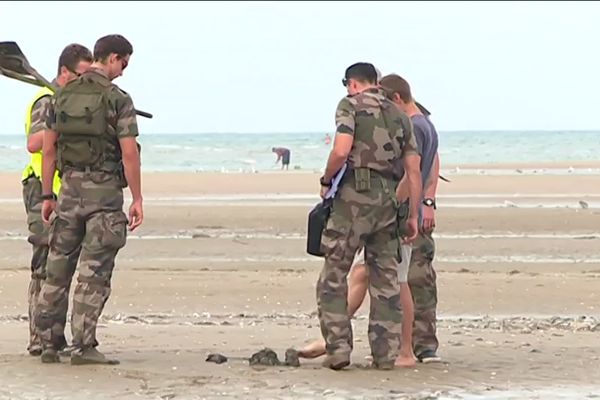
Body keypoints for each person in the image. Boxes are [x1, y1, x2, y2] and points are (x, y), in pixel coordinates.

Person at [35, 34, 143, 365]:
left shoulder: (61, 96)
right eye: (123, 63)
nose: (124, 71)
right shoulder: (117, 99)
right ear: (111, 58)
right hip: (104, 195)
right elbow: (129, 154)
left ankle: (49, 343)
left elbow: (49, 149)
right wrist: (137, 198)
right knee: (93, 272)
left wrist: (47, 195)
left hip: (67, 192)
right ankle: (83, 345)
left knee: (57, 269)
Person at [316, 62, 422, 370]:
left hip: (352, 201)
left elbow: (341, 150)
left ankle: (338, 349)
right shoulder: (401, 116)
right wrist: (412, 214)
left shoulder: (349, 105)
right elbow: (413, 171)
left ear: (352, 83)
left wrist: (326, 180)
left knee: (334, 276)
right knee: (385, 281)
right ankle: (384, 355)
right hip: (388, 202)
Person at [21, 44, 93, 357]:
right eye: (81, 75)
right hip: (41, 188)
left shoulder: (71, 100)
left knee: (62, 265)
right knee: (44, 264)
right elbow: (35, 143)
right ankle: (39, 337)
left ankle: (54, 336)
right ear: (65, 72)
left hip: (66, 191)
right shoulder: (47, 100)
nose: (86, 81)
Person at [380, 73, 441, 363]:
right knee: (410, 278)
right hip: (414, 210)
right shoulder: (425, 123)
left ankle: (419, 346)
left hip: (408, 213)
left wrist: (400, 206)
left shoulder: (414, 126)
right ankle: (413, 345)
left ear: (396, 99)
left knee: (413, 279)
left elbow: (413, 172)